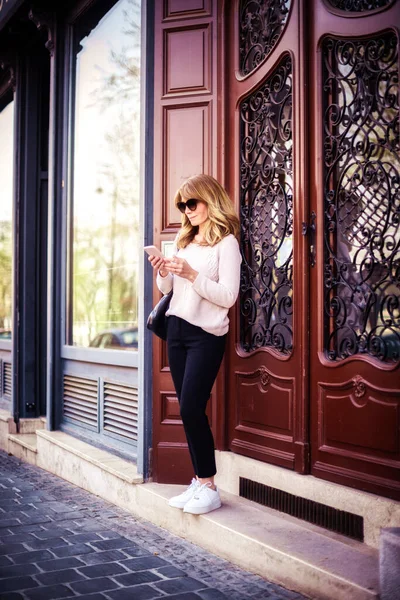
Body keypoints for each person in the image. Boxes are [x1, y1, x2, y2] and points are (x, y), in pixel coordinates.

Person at [148, 174, 242, 515]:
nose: (187, 212)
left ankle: (209, 485)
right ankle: (199, 481)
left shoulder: (226, 243)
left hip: (206, 334)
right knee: (188, 411)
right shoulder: (183, 240)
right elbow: (167, 290)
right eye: (182, 206)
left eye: (192, 203)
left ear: (209, 200)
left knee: (190, 408)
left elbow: (228, 296)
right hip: (177, 330)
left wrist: (191, 274)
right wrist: (162, 270)